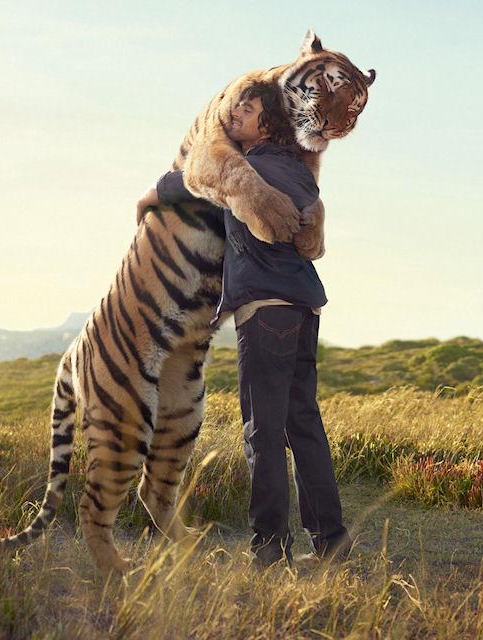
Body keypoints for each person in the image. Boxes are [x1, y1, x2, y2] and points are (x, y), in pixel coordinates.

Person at [136, 82, 352, 568]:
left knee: (263, 431)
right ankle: (331, 541)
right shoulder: (298, 171)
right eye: (236, 106)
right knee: (304, 426)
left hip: (266, 311)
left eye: (248, 109)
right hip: (305, 307)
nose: (235, 114)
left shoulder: (247, 169)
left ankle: (270, 549)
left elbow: (194, 179)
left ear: (268, 125)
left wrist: (151, 194)